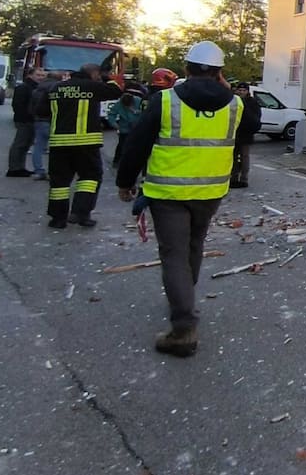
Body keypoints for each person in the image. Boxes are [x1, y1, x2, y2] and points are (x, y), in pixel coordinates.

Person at [116, 41, 259, 357]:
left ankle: (183, 328)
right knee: (194, 246)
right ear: (220, 72)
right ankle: (183, 296)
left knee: (174, 253)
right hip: (210, 192)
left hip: (168, 192)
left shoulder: (165, 99)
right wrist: (226, 88)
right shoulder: (235, 104)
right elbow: (253, 126)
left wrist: (125, 182)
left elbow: (137, 144)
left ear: (186, 68)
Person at [36, 63, 122, 228]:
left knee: (59, 182)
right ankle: (80, 213)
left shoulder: (55, 88)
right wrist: (106, 77)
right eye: (98, 75)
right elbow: (116, 91)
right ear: (94, 74)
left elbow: (41, 111)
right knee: (90, 178)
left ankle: (58, 219)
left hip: (59, 143)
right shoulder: (92, 87)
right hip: (86, 143)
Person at [6, 66, 47, 177]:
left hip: (30, 120)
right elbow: (18, 105)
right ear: (30, 75)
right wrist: (26, 117)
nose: (40, 77)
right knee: (20, 144)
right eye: (38, 75)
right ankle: (14, 168)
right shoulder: (24, 87)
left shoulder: (36, 87)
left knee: (26, 144)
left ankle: (20, 167)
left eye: (43, 75)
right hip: (24, 120)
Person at [229, 82, 261, 189]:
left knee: (244, 157)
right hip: (235, 133)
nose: (242, 92)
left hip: (246, 133)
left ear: (247, 91)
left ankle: (244, 179)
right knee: (233, 157)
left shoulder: (252, 102)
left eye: (244, 90)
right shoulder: (234, 101)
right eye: (240, 90)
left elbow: (255, 118)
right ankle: (233, 178)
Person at [106, 90, 143, 166]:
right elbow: (111, 114)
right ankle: (117, 161)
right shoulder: (119, 104)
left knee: (137, 145)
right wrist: (114, 124)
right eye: (125, 106)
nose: (127, 107)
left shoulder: (139, 101)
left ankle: (135, 161)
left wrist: (137, 112)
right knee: (122, 145)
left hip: (137, 127)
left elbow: (146, 111)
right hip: (124, 127)